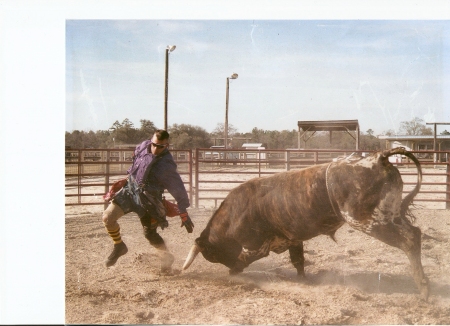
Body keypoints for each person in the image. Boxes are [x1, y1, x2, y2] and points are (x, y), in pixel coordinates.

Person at [102, 129, 194, 273]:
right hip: (129, 192)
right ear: (151, 141)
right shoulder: (142, 146)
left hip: (149, 200)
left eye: (160, 146)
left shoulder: (166, 165)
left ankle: (167, 258)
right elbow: (135, 160)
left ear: (167, 145)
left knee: (149, 234)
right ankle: (119, 246)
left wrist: (183, 211)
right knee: (108, 217)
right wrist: (128, 176)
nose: (156, 149)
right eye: (154, 145)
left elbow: (178, 188)